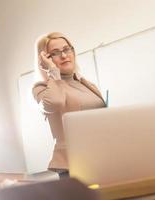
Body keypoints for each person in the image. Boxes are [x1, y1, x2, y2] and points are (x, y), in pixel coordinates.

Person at [32, 32, 106, 178]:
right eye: (55, 53)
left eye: (67, 49)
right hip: (74, 164)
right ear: (44, 59)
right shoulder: (41, 88)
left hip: (103, 156)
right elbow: (55, 102)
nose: (64, 55)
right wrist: (52, 72)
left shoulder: (87, 84)